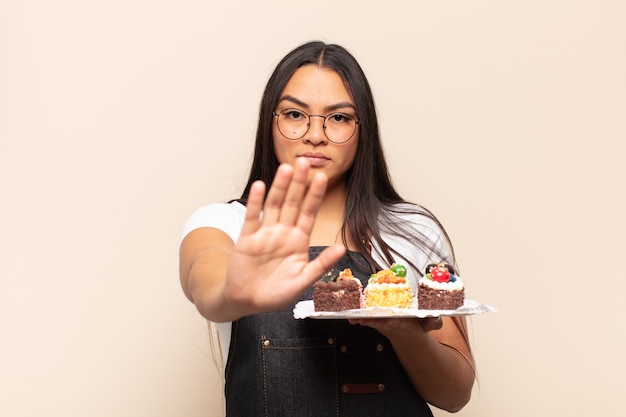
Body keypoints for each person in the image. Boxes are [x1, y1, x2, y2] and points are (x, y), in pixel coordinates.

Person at [179, 40, 475, 417]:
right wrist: (231, 295)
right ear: (270, 121)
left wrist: (405, 333)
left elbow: (455, 395)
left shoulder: (412, 230)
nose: (314, 134)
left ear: (362, 128)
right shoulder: (224, 224)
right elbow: (204, 278)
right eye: (294, 114)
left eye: (338, 118)